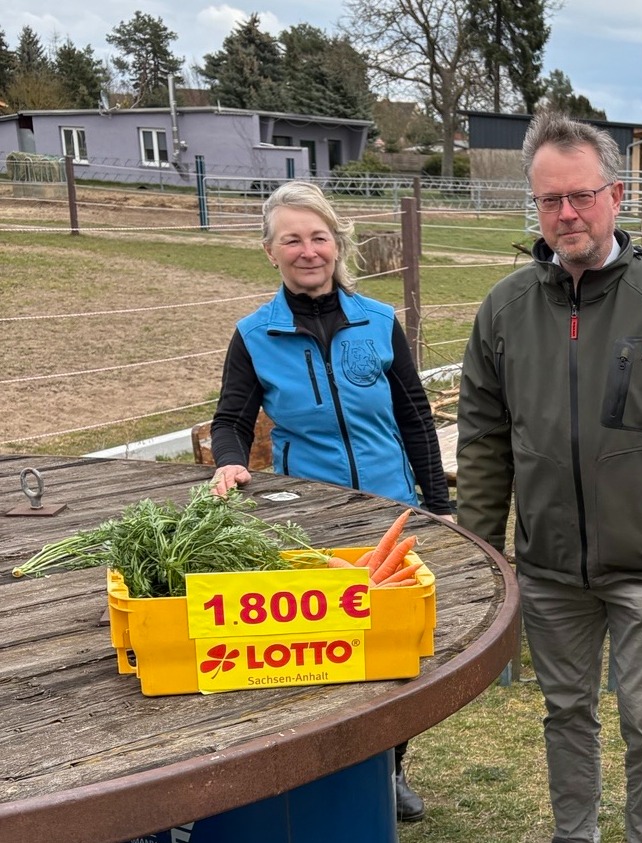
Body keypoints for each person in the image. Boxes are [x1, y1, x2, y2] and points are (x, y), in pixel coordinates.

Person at [457, 111, 642, 843]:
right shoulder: (505, 311)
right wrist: (482, 554)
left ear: (616, 195)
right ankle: (574, 833)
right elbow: (484, 443)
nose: (567, 214)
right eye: (550, 199)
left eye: (581, 195)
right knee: (565, 713)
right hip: (549, 571)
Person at [209, 180, 453, 824]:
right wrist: (231, 459)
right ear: (270, 251)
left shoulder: (378, 322)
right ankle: (328, 772)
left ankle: (389, 767)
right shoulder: (254, 335)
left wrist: (440, 503)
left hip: (389, 513)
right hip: (310, 523)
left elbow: (416, 419)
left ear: (336, 244)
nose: (308, 251)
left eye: (318, 237)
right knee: (325, 652)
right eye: (292, 239)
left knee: (397, 650)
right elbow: (231, 419)